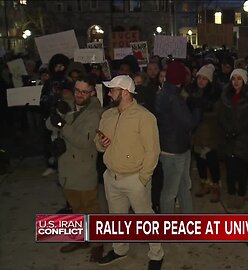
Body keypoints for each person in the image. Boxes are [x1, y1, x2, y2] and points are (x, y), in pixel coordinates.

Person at [95, 75, 163, 270]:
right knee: (116, 216)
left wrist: (143, 178)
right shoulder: (107, 115)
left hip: (135, 178)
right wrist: (101, 143)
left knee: (145, 217)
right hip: (111, 176)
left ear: (124, 92)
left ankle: (156, 254)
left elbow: (153, 150)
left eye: (112, 90)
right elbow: (98, 143)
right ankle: (119, 249)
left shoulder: (144, 117)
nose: (109, 93)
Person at [46, 75, 103, 260]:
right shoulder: (68, 105)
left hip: (83, 169)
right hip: (66, 168)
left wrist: (62, 124)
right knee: (75, 208)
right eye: (77, 90)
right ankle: (80, 238)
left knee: (90, 209)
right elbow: (49, 124)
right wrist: (55, 116)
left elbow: (84, 141)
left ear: (92, 92)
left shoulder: (95, 112)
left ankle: (97, 244)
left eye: (84, 91)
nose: (79, 94)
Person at [155, 61, 201, 214]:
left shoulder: (164, 93)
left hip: (173, 146)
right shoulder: (174, 97)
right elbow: (189, 122)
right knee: (171, 192)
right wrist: (197, 109)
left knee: (182, 187)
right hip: (175, 150)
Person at [217, 68, 248, 211]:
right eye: (233, 79)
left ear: (244, 80)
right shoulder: (225, 96)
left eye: (239, 79)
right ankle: (231, 193)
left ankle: (241, 194)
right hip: (228, 137)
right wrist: (227, 130)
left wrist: (239, 130)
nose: (236, 82)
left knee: (241, 168)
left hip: (244, 137)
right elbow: (221, 115)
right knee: (230, 169)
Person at [190, 64, 222, 203]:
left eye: (204, 79)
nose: (201, 81)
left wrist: (203, 109)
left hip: (210, 133)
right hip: (196, 134)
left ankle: (216, 187)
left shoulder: (215, 95)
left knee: (212, 161)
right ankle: (204, 184)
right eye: (199, 78)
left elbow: (217, 114)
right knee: (200, 161)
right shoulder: (193, 93)